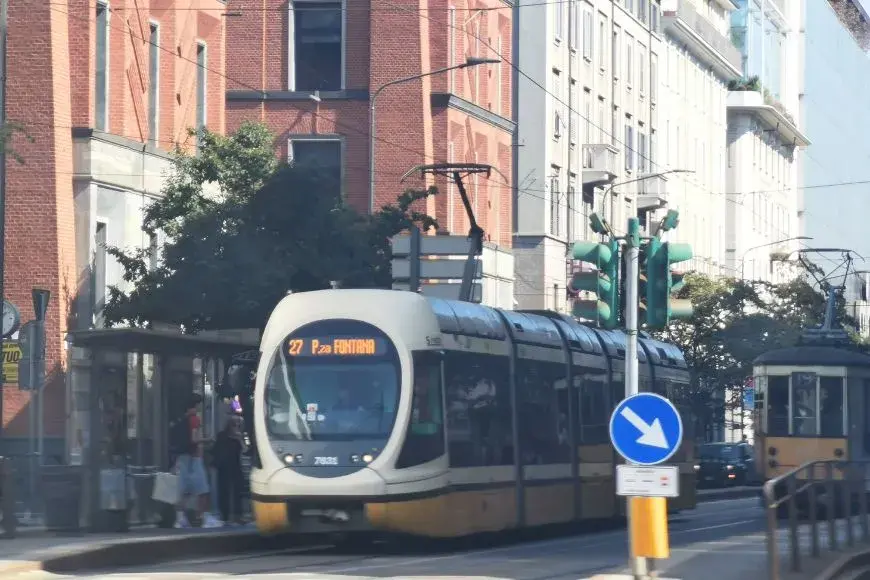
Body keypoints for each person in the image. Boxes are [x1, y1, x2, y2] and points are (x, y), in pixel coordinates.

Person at [170, 394, 221, 528]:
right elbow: (194, 439)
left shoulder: (181, 421)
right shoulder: (194, 420)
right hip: (194, 458)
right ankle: (203, 518)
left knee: (183, 490)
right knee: (203, 489)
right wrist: (208, 439)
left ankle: (180, 519)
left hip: (182, 458)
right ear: (195, 406)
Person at [212, 415, 246, 526]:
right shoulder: (222, 435)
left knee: (237, 491)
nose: (236, 427)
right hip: (224, 466)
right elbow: (216, 449)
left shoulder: (239, 437)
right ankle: (225, 514)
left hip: (235, 466)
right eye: (234, 424)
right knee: (223, 491)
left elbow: (245, 450)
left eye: (238, 425)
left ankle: (237, 514)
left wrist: (240, 439)